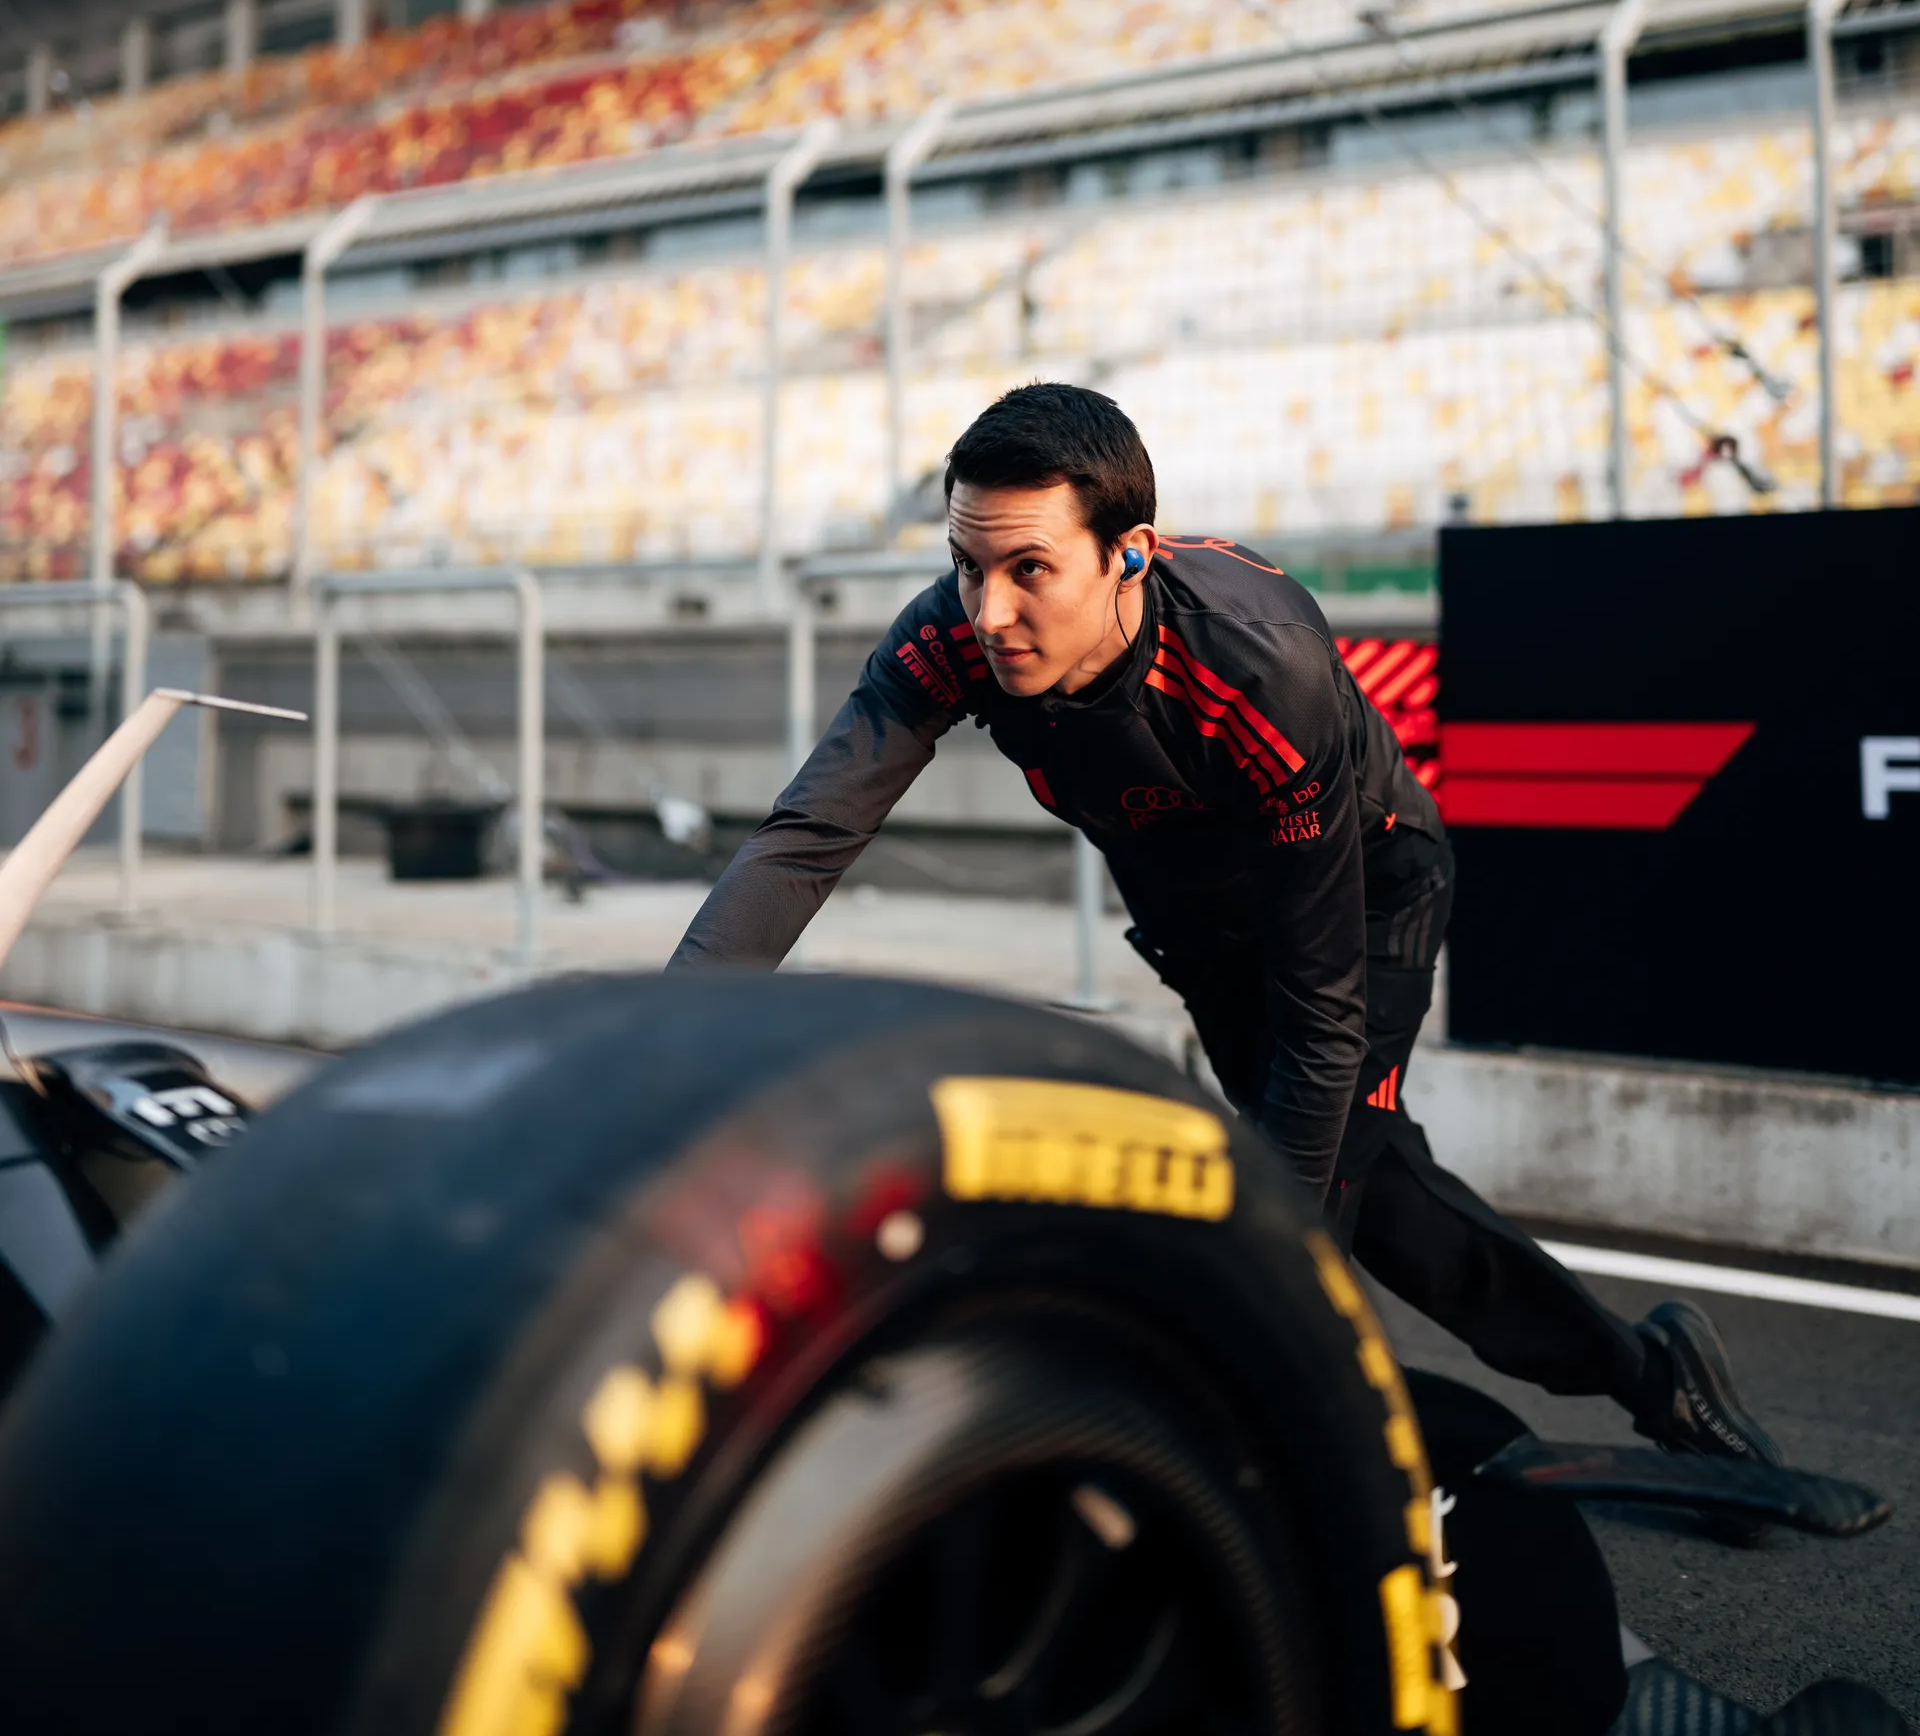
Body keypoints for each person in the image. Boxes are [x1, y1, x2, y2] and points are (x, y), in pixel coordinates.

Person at [671, 381, 1780, 1469]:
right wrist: (658, 1041)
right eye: (965, 565)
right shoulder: (952, 639)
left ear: (1130, 556)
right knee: (1377, 1200)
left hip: (1366, 897)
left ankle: (1312, 1481)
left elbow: (1322, 1014)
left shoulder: (1258, 664)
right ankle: (1649, 1372)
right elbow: (807, 837)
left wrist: (1267, 1274)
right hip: (1203, 929)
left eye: (1029, 572)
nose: (988, 611)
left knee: (1307, 1215)